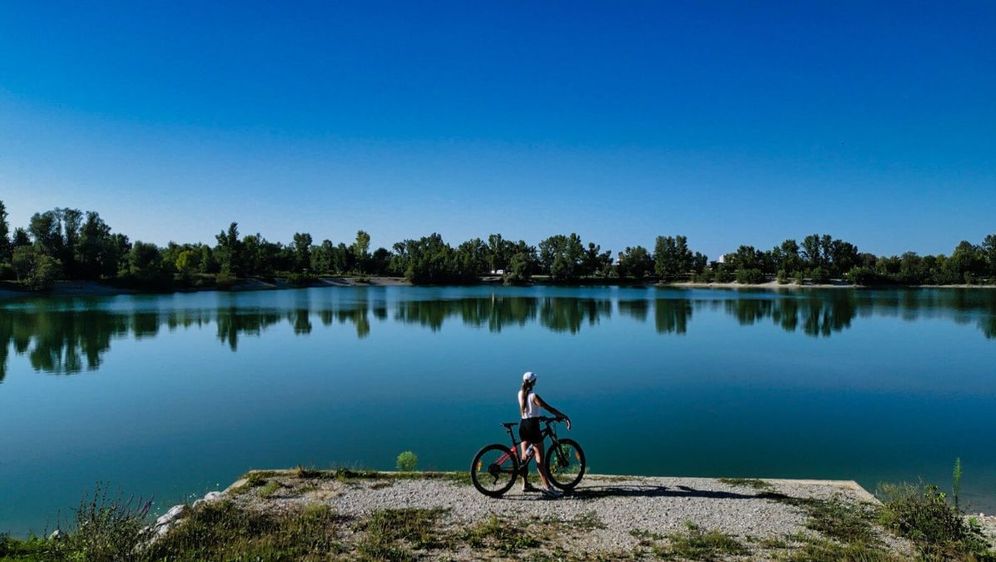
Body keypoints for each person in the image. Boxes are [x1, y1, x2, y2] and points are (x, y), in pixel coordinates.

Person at [517, 371, 571, 498]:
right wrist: (563, 416)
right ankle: (548, 488)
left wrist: (539, 416)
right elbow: (549, 408)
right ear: (534, 382)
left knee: (524, 459)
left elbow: (529, 412)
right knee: (540, 460)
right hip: (533, 428)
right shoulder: (534, 396)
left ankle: (524, 484)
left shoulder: (520, 394)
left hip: (523, 425)